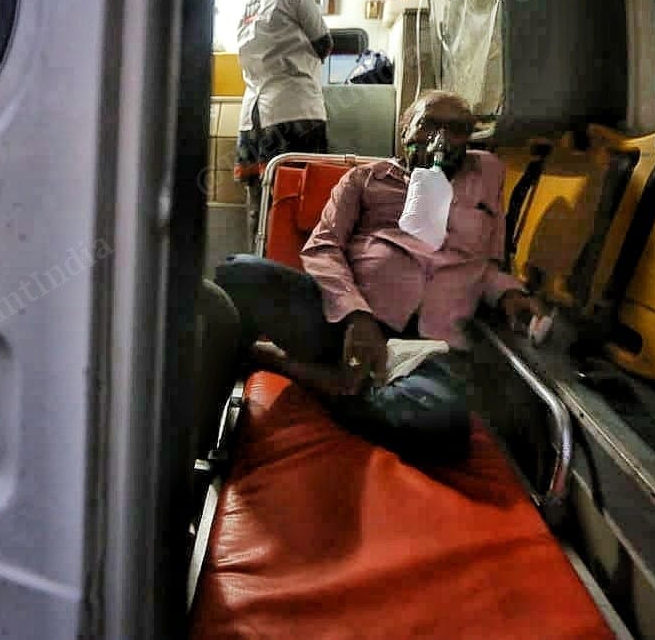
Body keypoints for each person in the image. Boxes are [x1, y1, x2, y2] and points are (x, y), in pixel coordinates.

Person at [215, 90, 545, 466]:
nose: (441, 139)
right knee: (238, 273)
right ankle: (353, 378)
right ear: (405, 128)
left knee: (444, 428)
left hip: (427, 348)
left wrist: (509, 296)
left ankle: (311, 375)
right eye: (428, 125)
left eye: (456, 130)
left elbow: (485, 267)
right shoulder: (365, 179)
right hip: (343, 325)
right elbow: (323, 248)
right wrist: (356, 315)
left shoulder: (485, 180)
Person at [232, 0, 333, 250]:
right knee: (301, 200)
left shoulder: (245, 2)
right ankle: (297, 272)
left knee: (258, 204)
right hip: (294, 110)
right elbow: (324, 44)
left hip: (253, 116)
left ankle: (259, 270)